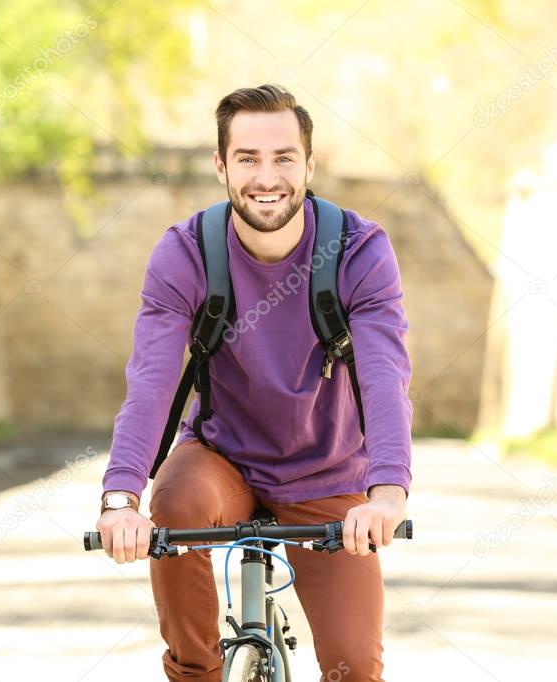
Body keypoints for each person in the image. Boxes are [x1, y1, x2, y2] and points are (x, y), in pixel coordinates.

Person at [95, 83, 413, 681]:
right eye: (247, 159)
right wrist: (120, 499)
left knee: (356, 667)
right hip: (222, 458)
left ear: (310, 164)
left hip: (329, 472)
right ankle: (199, 673)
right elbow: (152, 384)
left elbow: (384, 377)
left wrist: (387, 492)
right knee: (174, 504)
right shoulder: (186, 253)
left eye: (284, 158)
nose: (267, 178)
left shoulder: (359, 251)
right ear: (221, 166)